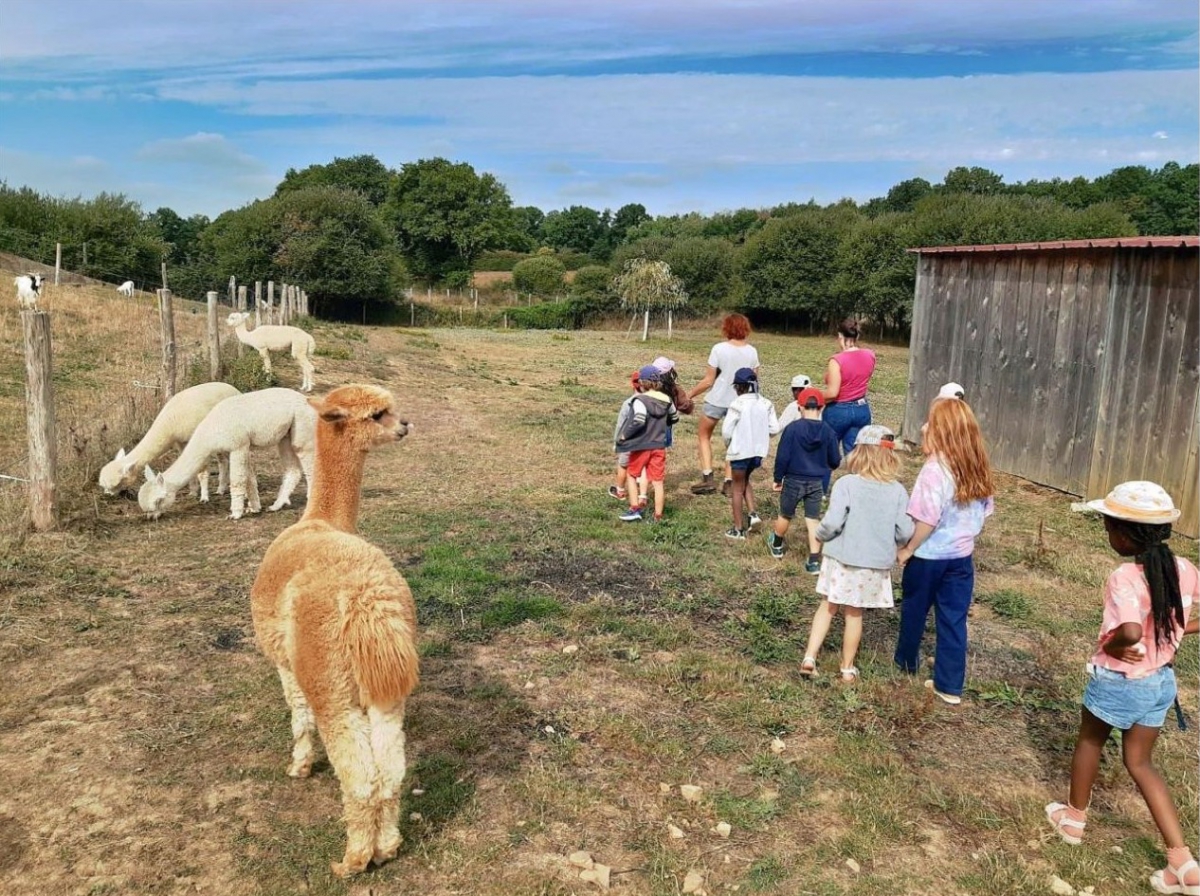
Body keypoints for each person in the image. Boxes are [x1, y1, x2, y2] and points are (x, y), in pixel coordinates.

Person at [1045, 481, 1198, 896]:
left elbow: (1130, 629)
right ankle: (1182, 863)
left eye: (1108, 527)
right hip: (1159, 682)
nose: (1107, 534)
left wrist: (1112, 643)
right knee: (1141, 763)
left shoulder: (1124, 577)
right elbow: (1178, 619)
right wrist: (1173, 634)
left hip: (1118, 681)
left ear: (1125, 535)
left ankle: (1074, 819)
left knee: (1090, 742)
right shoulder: (1183, 569)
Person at [893, 396, 994, 705]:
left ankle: (906, 662)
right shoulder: (976, 465)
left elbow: (926, 519)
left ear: (944, 431)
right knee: (953, 619)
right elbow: (985, 511)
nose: (923, 427)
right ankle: (949, 685)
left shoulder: (934, 469)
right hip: (961, 559)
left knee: (914, 610)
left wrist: (909, 548)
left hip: (928, 558)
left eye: (930, 423)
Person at [799, 426, 913, 681]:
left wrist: (821, 535)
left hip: (841, 558)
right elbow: (905, 530)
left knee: (827, 606)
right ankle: (847, 668)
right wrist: (896, 544)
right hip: (871, 564)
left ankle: (809, 656)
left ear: (859, 452)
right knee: (854, 614)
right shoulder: (897, 491)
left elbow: (833, 521)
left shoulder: (846, 484)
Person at [687, 313, 760, 496]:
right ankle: (729, 482)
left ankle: (708, 477)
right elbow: (755, 380)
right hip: (739, 403)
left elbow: (708, 381)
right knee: (733, 442)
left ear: (727, 328)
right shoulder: (752, 352)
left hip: (716, 400)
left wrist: (689, 394)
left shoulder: (719, 349)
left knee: (704, 435)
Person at [767, 387, 840, 568]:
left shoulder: (793, 429)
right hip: (816, 481)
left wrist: (778, 478)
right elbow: (835, 460)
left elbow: (782, 456)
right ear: (822, 408)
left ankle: (776, 544)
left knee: (785, 514)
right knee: (813, 519)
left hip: (793, 479)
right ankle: (814, 560)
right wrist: (826, 465)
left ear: (800, 407)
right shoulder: (828, 431)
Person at [720, 368, 778, 540]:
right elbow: (774, 428)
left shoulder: (737, 404)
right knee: (745, 480)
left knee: (736, 489)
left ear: (738, 387)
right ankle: (753, 514)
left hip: (740, 451)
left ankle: (738, 529)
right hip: (758, 453)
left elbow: (726, 431)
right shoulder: (766, 403)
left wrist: (729, 445)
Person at [616, 365, 679, 524]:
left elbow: (638, 420)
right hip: (659, 445)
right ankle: (658, 516)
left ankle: (635, 509)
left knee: (631, 475)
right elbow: (675, 417)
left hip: (642, 445)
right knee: (658, 482)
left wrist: (625, 435)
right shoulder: (667, 400)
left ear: (642, 383)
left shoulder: (640, 400)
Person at [820, 318, 877, 456]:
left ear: (840, 336)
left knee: (826, 456)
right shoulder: (870, 355)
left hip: (838, 411)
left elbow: (833, 393)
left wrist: (814, 395)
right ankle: (856, 477)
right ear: (857, 336)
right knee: (856, 457)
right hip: (861, 409)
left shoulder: (836, 360)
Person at [610, 369, 644, 502]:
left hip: (628, 441)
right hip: (645, 441)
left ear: (632, 384)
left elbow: (621, 424)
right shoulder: (651, 402)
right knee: (643, 468)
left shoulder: (628, 403)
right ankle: (642, 495)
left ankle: (620, 491)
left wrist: (616, 442)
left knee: (623, 465)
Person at [651, 356, 694, 449]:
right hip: (667, 421)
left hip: (650, 423)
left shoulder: (649, 387)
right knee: (665, 444)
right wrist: (689, 403)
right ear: (670, 372)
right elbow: (686, 406)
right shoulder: (674, 388)